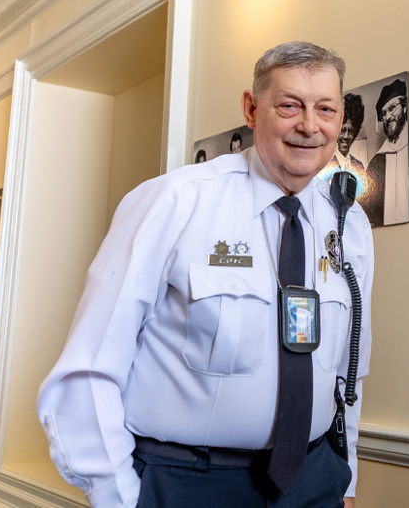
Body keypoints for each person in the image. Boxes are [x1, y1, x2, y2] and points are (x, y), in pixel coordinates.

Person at [37, 41, 374, 508]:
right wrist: (118, 497)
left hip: (314, 480)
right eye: (289, 105)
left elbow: (349, 373)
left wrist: (346, 479)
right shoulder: (174, 202)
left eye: (326, 109)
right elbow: (88, 370)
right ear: (251, 110)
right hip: (190, 483)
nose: (309, 126)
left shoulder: (348, 223)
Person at [364, 78, 409, 226]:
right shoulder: (377, 161)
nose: (387, 117)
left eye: (392, 109)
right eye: (383, 114)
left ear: (404, 107)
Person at [318, 93, 368, 201]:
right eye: (343, 130)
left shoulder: (359, 166)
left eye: (351, 131)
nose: (346, 137)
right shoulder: (324, 164)